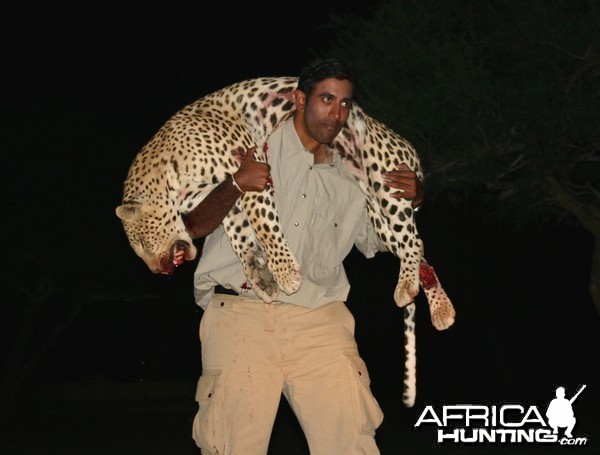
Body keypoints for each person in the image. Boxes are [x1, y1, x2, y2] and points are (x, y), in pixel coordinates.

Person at [183, 57, 424, 455]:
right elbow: (193, 226)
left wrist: (411, 202)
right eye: (327, 99)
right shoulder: (248, 146)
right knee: (231, 446)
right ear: (299, 99)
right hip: (242, 316)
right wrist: (236, 184)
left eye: (346, 103)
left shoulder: (354, 173)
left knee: (351, 442)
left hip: (319, 318)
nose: (337, 112)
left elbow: (373, 242)